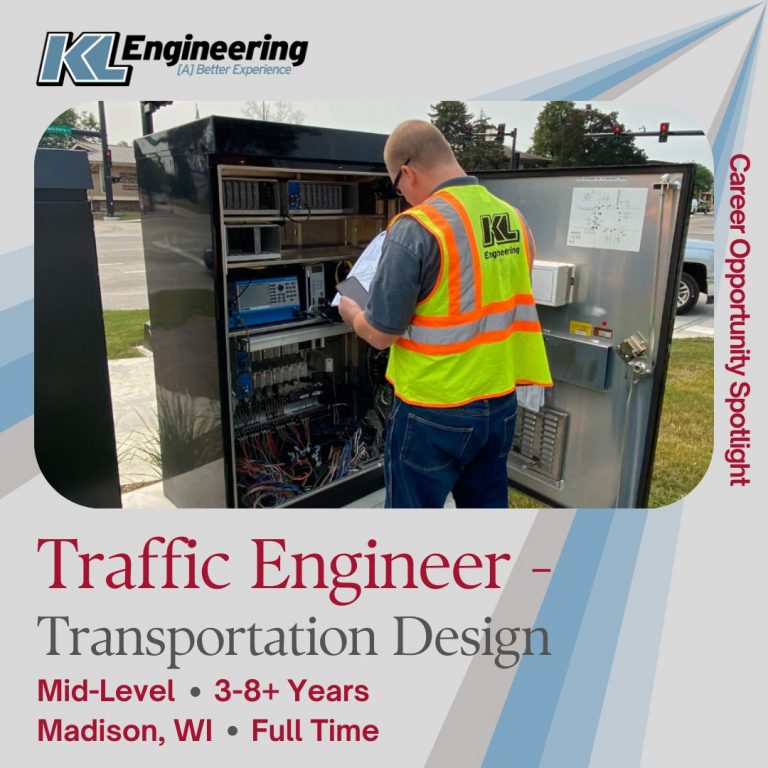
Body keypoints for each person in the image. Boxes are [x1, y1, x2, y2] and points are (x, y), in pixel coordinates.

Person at [339, 120, 552, 508]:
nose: (403, 197)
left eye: (397, 186)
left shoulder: (416, 227)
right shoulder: (512, 218)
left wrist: (351, 309)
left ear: (407, 172)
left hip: (433, 412)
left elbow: (381, 333)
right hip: (499, 405)